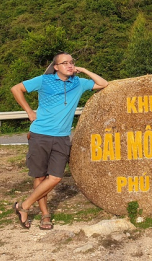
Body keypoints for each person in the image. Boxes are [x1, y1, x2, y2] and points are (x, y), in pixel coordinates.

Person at [10, 52, 108, 230]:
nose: (69, 66)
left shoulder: (78, 83)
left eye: (72, 63)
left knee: (55, 177)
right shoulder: (44, 80)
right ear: (56, 67)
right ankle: (45, 215)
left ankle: (24, 206)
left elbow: (103, 84)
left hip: (62, 137)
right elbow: (16, 89)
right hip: (40, 134)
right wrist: (29, 112)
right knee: (40, 176)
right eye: (65, 63)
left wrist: (84, 70)